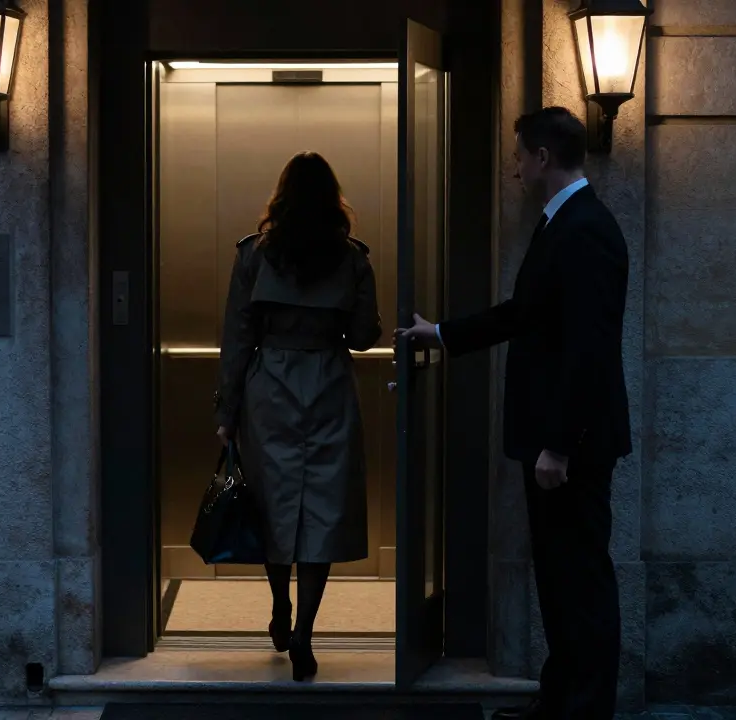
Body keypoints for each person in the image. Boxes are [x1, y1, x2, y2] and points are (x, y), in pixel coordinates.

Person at [396, 107, 632, 719]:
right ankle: (561, 700)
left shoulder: (584, 230)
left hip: (569, 446)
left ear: (542, 158)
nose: (515, 165)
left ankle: (582, 711)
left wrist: (559, 444)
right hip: (558, 441)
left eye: (519, 154)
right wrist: (443, 333)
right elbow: (524, 312)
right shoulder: (565, 223)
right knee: (558, 579)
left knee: (578, 583)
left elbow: (591, 349)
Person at [214, 151, 382, 683]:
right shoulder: (352, 258)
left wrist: (227, 411)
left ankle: (280, 605)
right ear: (334, 199)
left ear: (280, 196)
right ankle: (305, 633)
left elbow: (237, 339)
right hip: (328, 387)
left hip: (270, 391)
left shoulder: (252, 256)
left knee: (274, 505)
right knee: (322, 513)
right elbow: (360, 337)